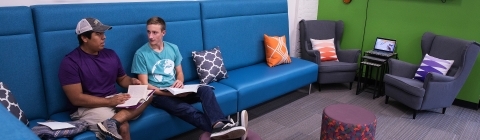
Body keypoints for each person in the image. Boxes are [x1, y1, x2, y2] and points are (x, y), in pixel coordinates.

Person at [131, 16, 248, 140]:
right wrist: (171, 95)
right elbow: (145, 85)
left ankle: (220, 125)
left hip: (176, 90)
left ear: (163, 33)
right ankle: (228, 129)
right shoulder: (141, 54)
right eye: (148, 32)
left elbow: (180, 73)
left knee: (206, 90)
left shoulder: (173, 48)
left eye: (155, 32)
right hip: (159, 95)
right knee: (187, 109)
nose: (150, 36)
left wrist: (179, 82)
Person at [58, 17, 151, 140]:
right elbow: (76, 99)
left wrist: (132, 81)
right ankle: (114, 123)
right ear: (84, 38)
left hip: (113, 99)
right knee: (123, 127)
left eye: (103, 33)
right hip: (87, 107)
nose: (104, 37)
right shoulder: (70, 62)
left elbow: (122, 79)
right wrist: (109, 102)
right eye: (98, 34)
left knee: (148, 96)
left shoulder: (110, 54)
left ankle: (112, 121)